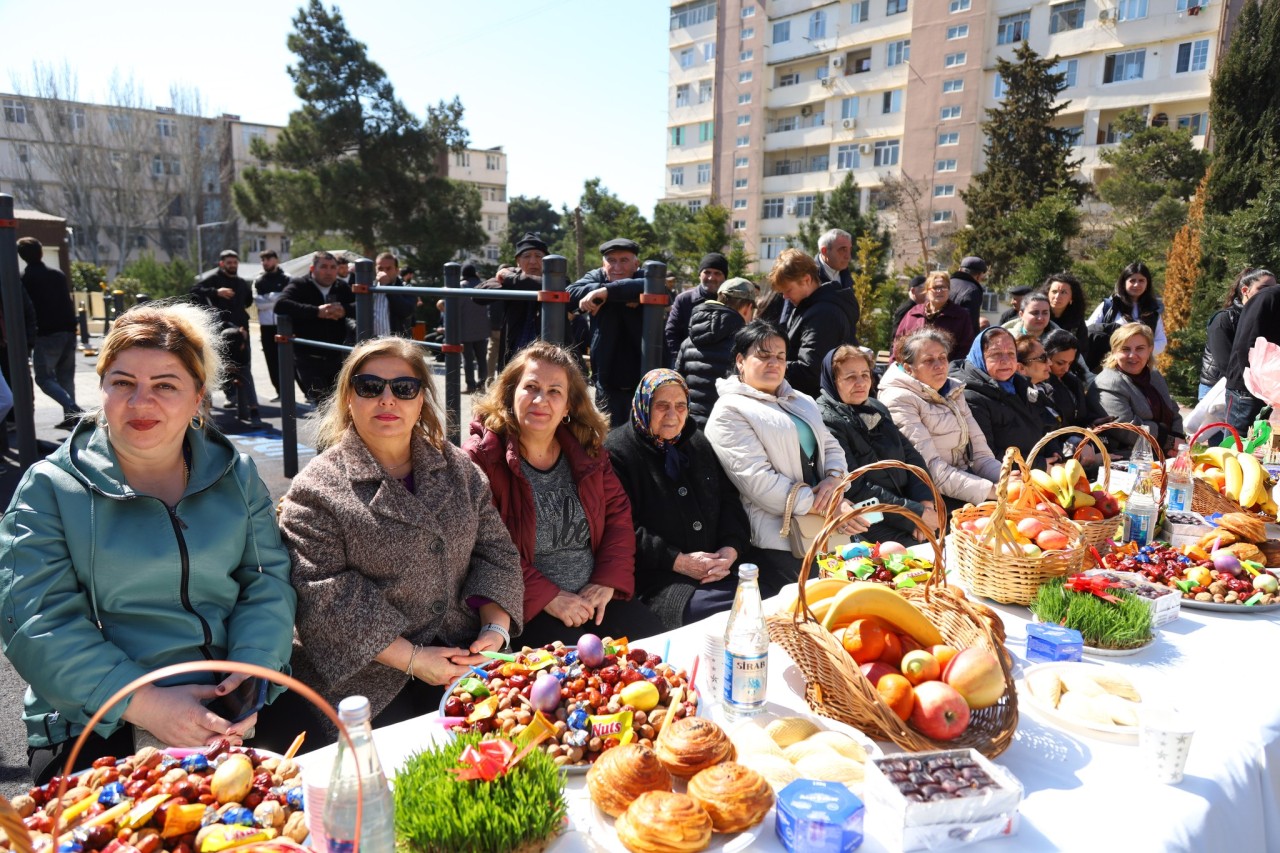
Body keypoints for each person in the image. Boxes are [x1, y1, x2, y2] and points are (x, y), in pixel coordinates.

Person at [0, 303, 295, 783]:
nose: (140, 402)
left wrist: (252, 670)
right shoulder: (49, 487)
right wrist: (146, 703)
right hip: (96, 712)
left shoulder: (235, 475)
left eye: (165, 385)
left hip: (230, 695)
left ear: (198, 397)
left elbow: (266, 581)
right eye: (122, 383)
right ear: (102, 389)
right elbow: (37, 621)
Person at [272, 337, 522, 742]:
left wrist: (495, 633)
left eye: (403, 389)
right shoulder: (316, 489)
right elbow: (325, 597)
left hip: (465, 650)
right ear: (348, 399)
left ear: (421, 400)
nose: (387, 399)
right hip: (370, 676)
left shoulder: (458, 468)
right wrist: (415, 660)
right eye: (370, 387)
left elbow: (495, 553)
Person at [464, 341, 657, 648]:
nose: (542, 400)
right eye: (531, 387)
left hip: (595, 595)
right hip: (526, 604)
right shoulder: (482, 458)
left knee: (654, 647)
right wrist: (549, 597)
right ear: (511, 393)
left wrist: (607, 580)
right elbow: (484, 546)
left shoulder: (588, 453)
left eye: (555, 391)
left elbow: (618, 517)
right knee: (570, 678)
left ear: (568, 406)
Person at [704, 321, 868, 595]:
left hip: (827, 525)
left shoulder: (801, 400)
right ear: (740, 361)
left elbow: (831, 447)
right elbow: (759, 483)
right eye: (764, 355)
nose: (774, 363)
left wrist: (834, 481)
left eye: (780, 356)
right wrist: (829, 506)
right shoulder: (730, 411)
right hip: (779, 538)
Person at [604, 370, 751, 630]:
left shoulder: (696, 441)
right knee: (735, 611)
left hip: (717, 570)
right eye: (661, 405)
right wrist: (679, 561)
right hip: (660, 580)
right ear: (643, 405)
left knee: (766, 595)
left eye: (680, 406)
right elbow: (622, 529)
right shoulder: (617, 452)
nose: (673, 415)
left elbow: (728, 500)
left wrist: (729, 550)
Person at [817, 346, 938, 544]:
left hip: (908, 508)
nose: (860, 383)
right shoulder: (827, 419)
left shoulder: (875, 407)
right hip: (869, 520)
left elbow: (911, 456)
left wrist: (925, 504)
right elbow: (855, 485)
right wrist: (914, 515)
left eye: (865, 374)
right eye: (850, 377)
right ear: (833, 380)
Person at [879, 328, 1002, 512]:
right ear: (908, 368)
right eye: (928, 360)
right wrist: (992, 491)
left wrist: (1007, 479)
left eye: (942, 357)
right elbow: (930, 471)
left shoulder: (953, 391)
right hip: (931, 501)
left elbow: (980, 455)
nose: (939, 365)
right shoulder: (899, 400)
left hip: (966, 488)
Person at [568, 238, 649, 426]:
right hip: (606, 380)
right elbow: (570, 292)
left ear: (636, 264)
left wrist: (608, 293)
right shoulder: (597, 277)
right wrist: (600, 291)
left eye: (624, 260)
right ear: (603, 264)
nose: (617, 266)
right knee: (607, 437)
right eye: (611, 260)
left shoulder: (645, 277)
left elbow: (656, 285)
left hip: (642, 379)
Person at [950, 327, 1049, 467]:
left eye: (1011, 353)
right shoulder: (969, 396)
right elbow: (987, 456)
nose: (1006, 361)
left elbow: (1042, 423)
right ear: (979, 357)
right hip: (1009, 478)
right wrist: (1040, 464)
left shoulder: (1020, 384)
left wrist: (1053, 451)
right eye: (996, 354)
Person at [769, 248, 858, 398]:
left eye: (788, 290)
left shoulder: (823, 314)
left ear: (807, 280)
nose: (785, 297)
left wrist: (770, 365)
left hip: (815, 406)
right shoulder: (810, 307)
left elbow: (810, 371)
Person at [675, 277, 758, 427]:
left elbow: (677, 383)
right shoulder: (745, 344)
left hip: (688, 428)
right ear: (747, 308)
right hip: (725, 428)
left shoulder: (689, 340)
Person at [18, 237, 82, 429]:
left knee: (44, 378)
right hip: (68, 331)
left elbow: (25, 310)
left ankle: (73, 409)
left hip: (45, 334)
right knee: (66, 377)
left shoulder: (24, 280)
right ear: (42, 252)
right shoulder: (58, 274)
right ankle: (71, 416)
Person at [275, 251, 355, 404]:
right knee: (322, 403)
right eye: (324, 266)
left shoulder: (341, 287)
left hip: (337, 356)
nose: (329, 271)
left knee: (340, 403)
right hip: (308, 357)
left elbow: (360, 305)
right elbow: (280, 305)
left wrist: (344, 309)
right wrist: (317, 311)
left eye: (333, 267)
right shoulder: (300, 284)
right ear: (312, 269)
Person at [1092, 323, 1184, 455]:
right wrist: (1169, 441)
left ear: (1150, 350)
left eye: (1140, 348)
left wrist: (1177, 438)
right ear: (1114, 351)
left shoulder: (1153, 374)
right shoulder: (1108, 382)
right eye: (1125, 349)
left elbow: (1172, 408)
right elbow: (1127, 429)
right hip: (1126, 456)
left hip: (1163, 452)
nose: (1132, 355)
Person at [191, 250, 259, 420]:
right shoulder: (213, 280)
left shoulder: (242, 282)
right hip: (220, 330)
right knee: (221, 364)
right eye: (229, 262)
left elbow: (248, 301)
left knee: (244, 365)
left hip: (242, 330)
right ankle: (230, 396)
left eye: (235, 262)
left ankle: (249, 405)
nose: (232, 265)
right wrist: (216, 292)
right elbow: (194, 291)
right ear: (222, 264)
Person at [1200, 268, 1276, 399]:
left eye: (1273, 289)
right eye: (1263, 289)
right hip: (1218, 389)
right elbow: (1225, 363)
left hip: (1255, 390)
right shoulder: (1223, 319)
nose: (1268, 294)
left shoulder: (1267, 319)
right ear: (1245, 291)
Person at [1224, 279, 1280, 439]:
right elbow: (1246, 345)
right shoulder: (1269, 297)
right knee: (1238, 450)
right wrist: (1260, 389)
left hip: (1272, 396)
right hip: (1248, 392)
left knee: (1267, 453)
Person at [1086, 262, 1166, 372]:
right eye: (1132, 280)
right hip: (1108, 367)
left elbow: (1161, 341)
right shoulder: (1110, 306)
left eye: (1141, 281)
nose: (1137, 285)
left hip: (1140, 369)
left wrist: (1141, 351)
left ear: (1147, 284)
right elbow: (1090, 331)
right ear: (1123, 283)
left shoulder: (1152, 311)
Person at [780, 229, 860, 332]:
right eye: (842, 249)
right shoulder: (804, 275)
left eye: (849, 249)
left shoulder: (846, 277)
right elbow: (787, 318)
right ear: (824, 251)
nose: (848, 256)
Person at [1015, 335, 1078, 465]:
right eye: (1043, 358)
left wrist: (1053, 450)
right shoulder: (1012, 398)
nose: (1049, 363)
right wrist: (1042, 464)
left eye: (1047, 357)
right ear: (1021, 368)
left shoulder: (1040, 390)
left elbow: (1046, 430)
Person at [894, 271, 975, 361]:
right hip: (914, 370)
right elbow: (898, 343)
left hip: (945, 371)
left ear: (949, 290)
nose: (939, 291)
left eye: (943, 287)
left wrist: (952, 369)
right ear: (927, 290)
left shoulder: (960, 316)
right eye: (935, 287)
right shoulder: (913, 313)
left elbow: (966, 348)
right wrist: (896, 365)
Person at [1042, 329, 1111, 435]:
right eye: (1060, 363)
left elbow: (1080, 417)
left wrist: (1092, 423)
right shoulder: (1040, 386)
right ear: (1046, 357)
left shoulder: (1073, 382)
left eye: (1070, 363)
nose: (1065, 369)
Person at [665, 252, 728, 366]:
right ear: (699, 275)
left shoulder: (731, 301)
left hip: (721, 368)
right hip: (688, 367)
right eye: (707, 272)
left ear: (725, 277)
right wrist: (680, 359)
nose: (711, 277)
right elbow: (671, 332)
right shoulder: (684, 300)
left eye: (717, 273)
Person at [253, 249, 289, 401]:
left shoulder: (287, 278)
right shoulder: (259, 280)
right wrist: (275, 297)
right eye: (263, 259)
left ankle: (304, 393)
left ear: (276, 260)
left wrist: (270, 298)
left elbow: (286, 299)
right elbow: (258, 302)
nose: (265, 262)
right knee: (271, 360)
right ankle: (280, 392)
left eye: (268, 258)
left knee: (289, 360)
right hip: (266, 326)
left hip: (285, 324)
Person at [457, 263, 491, 392]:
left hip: (465, 329)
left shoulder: (461, 287)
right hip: (482, 328)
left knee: (468, 359)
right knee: (482, 359)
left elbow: (456, 309)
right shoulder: (482, 285)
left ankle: (470, 385)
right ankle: (482, 385)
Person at [372, 252, 418, 338]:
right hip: (372, 343)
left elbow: (406, 311)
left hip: (396, 343)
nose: (384, 272)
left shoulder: (407, 289)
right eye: (380, 268)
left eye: (388, 268)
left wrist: (388, 287)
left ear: (397, 271)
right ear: (376, 269)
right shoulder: (370, 289)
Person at [1040, 272, 1090, 347]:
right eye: (1054, 291)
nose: (1057, 296)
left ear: (1072, 297)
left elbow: (1082, 349)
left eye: (1063, 292)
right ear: (1047, 293)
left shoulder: (1077, 322)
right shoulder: (1038, 315)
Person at [949, 256, 989, 336]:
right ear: (978, 276)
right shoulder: (973, 290)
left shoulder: (946, 284)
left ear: (960, 270)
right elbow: (971, 324)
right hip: (957, 341)